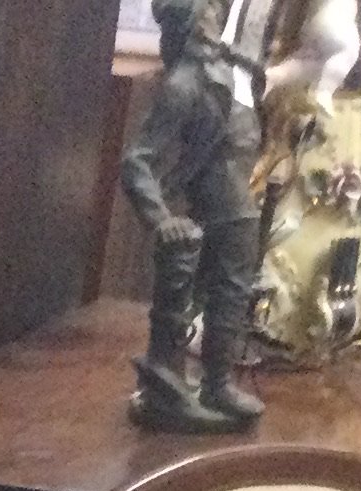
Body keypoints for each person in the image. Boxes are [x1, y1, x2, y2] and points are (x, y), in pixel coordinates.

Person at [120, 0, 272, 433]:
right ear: (188, 24)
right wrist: (160, 218)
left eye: (216, 12)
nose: (215, 21)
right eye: (206, 13)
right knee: (224, 290)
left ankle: (218, 384)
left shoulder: (229, 68)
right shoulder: (184, 84)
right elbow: (137, 159)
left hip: (241, 200)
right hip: (219, 202)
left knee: (232, 294)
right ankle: (177, 387)